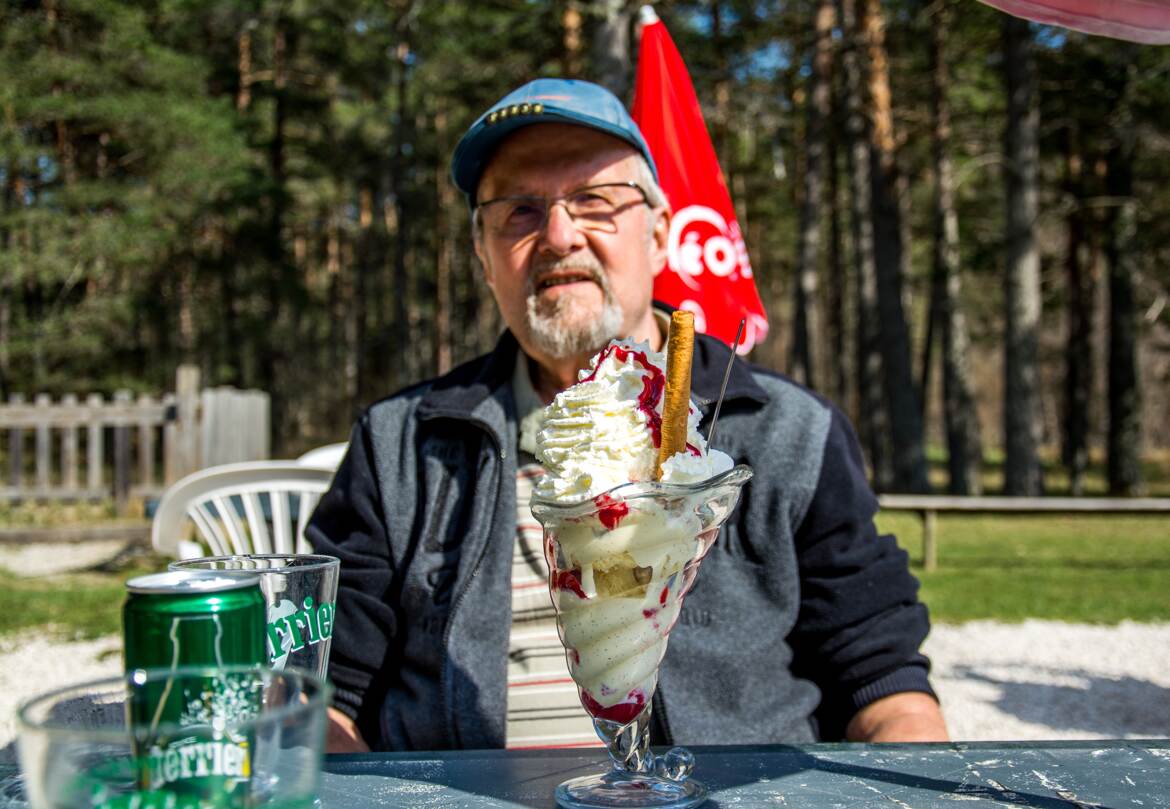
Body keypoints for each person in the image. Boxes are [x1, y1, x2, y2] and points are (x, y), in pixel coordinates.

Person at [309, 78, 948, 754]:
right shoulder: (403, 444)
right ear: (482, 254)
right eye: (520, 210)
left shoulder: (783, 432)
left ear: (662, 236)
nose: (559, 235)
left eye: (596, 201)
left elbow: (883, 679)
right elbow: (322, 691)